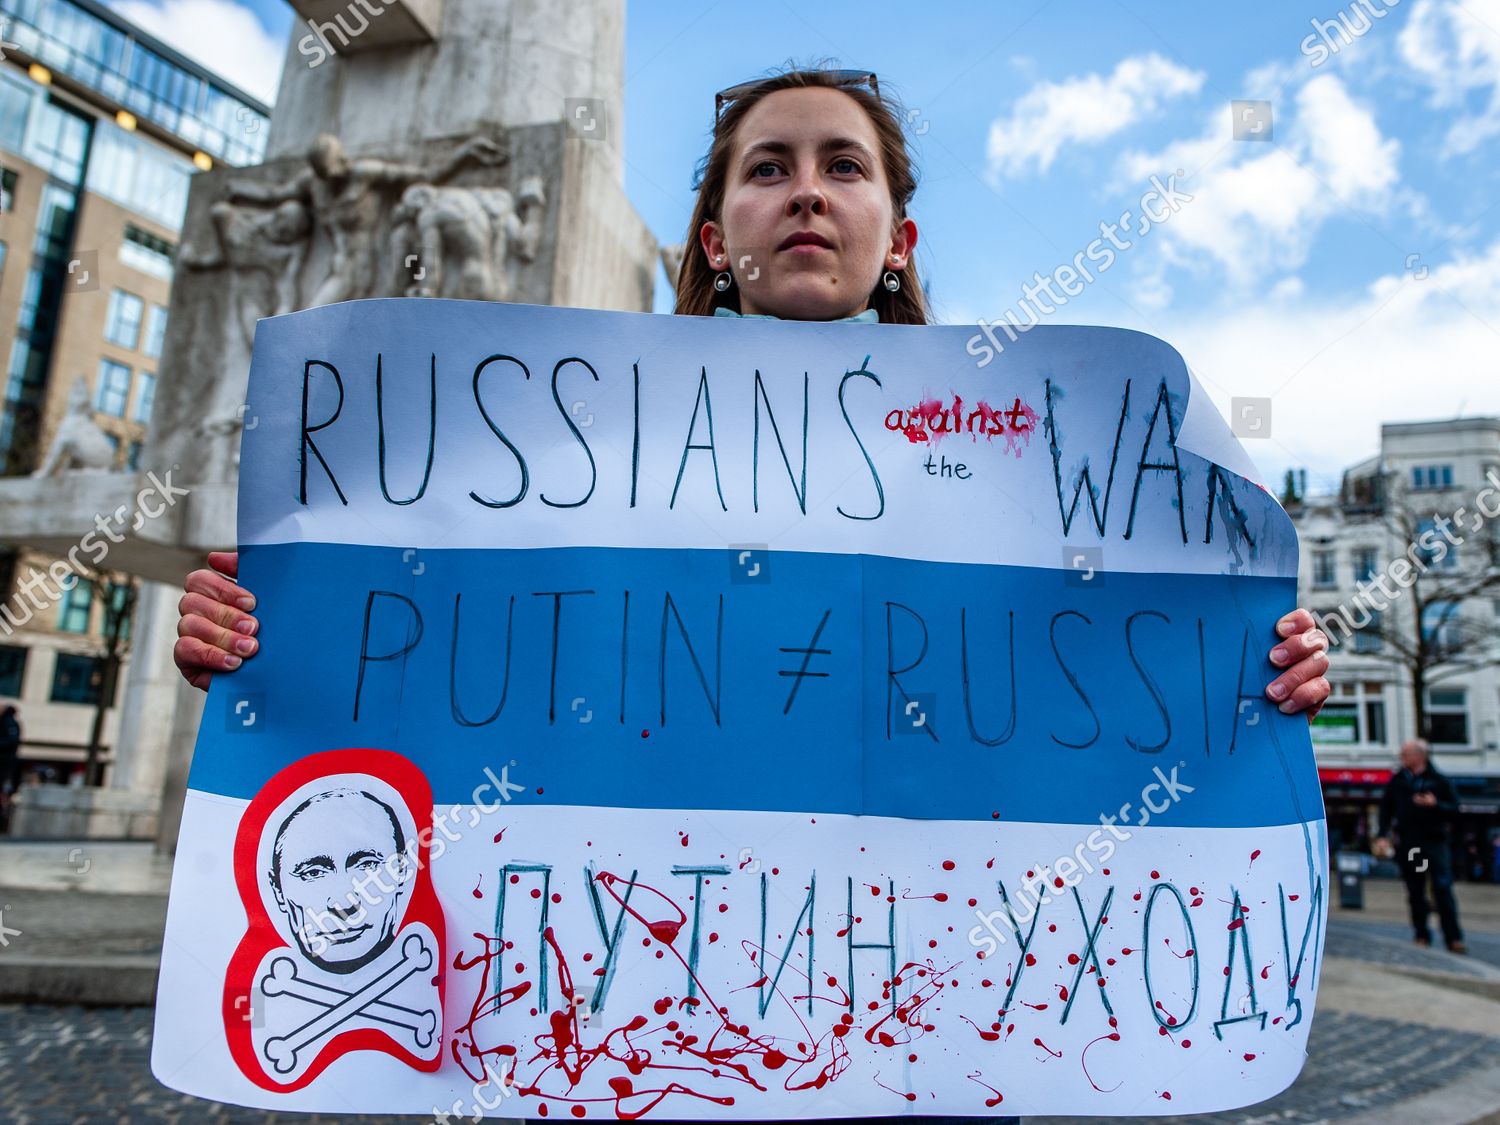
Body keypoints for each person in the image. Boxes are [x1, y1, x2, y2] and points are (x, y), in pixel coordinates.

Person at [171, 66, 1334, 1124]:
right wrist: (259, 644)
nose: (807, 193)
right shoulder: (574, 456)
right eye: (768, 169)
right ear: (718, 238)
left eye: (843, 166)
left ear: (898, 236)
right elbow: (431, 657)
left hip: (932, 1065)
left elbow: (1114, 679)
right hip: (653, 1064)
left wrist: (1256, 664)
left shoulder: (1031, 449)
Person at [1375, 738, 1466, 953]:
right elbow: (1386, 809)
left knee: (1442, 888)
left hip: (1434, 842)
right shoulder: (1399, 781)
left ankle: (1453, 937)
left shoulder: (1439, 780)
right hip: (1413, 845)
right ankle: (1421, 934)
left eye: (1405, 755)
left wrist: (1435, 805)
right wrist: (1382, 834)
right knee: (1416, 888)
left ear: (1419, 756)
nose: (1401, 758)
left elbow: (1455, 809)